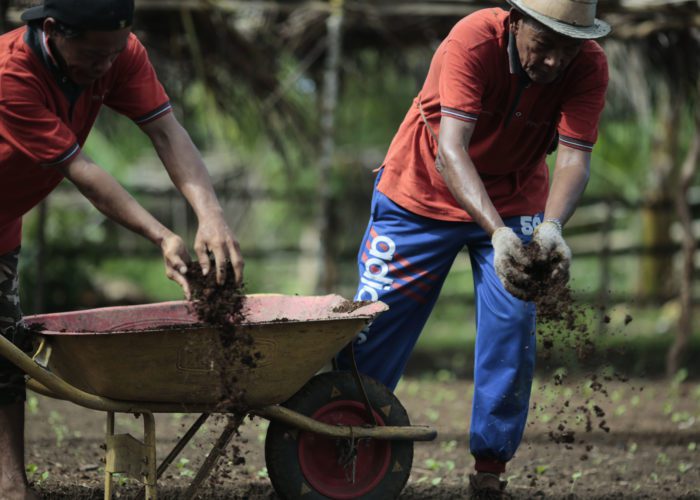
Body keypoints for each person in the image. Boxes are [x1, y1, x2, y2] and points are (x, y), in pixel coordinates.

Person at [336, 0, 610, 497]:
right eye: (544, 45)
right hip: (419, 194)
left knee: (512, 322)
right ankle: (341, 440)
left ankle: (490, 466)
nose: (553, 62)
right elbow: (451, 150)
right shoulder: (472, 41)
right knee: (376, 322)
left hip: (516, 195)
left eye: (567, 50)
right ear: (515, 20)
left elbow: (574, 158)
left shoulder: (589, 64)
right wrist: (497, 234)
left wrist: (550, 228)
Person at [0, 0, 244, 498]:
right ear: (52, 30)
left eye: (113, 54)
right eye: (93, 56)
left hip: (2, 222)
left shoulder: (120, 51)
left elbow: (166, 131)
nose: (105, 67)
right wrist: (161, 235)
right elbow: (83, 173)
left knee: (7, 354)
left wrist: (211, 216)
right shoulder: (10, 74)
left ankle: (10, 485)